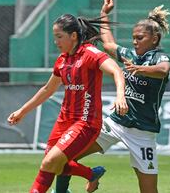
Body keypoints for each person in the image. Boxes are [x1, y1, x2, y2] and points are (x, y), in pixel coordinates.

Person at [54, 0, 170, 193]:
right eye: (133, 38)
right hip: (115, 123)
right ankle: (64, 190)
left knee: (149, 191)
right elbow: (108, 44)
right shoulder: (131, 55)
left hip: (142, 132)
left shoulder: (159, 57)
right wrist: (104, 14)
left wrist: (139, 69)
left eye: (140, 38)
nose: (135, 42)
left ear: (154, 39)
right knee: (65, 155)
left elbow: (163, 70)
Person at [7, 13, 128, 193]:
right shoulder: (63, 60)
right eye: (54, 37)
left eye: (59, 36)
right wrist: (22, 111)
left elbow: (117, 71)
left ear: (73, 36)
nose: (56, 41)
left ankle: (88, 175)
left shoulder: (90, 54)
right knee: (51, 163)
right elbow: (48, 89)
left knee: (51, 162)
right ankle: (91, 174)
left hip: (86, 122)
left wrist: (120, 96)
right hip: (64, 120)